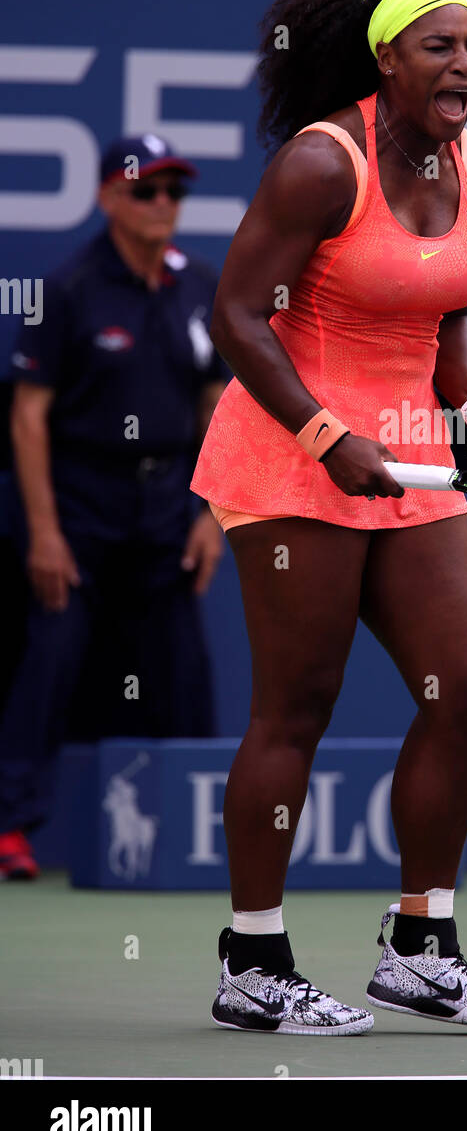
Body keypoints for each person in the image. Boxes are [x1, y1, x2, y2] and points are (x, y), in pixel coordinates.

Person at [192, 0, 467, 1034]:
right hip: (291, 450)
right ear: (385, 59)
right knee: (295, 708)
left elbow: (445, 316)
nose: (465, 65)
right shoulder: (317, 163)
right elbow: (238, 314)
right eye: (439, 46)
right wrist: (322, 432)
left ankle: (419, 945)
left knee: (466, 685)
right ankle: (253, 959)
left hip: (408, 461)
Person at [0, 136, 229, 881]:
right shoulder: (69, 289)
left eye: (174, 192)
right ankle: (12, 831)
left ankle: (209, 830)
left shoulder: (200, 284)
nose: (163, 205)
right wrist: (43, 533)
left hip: (168, 503)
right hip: (79, 502)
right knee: (51, 658)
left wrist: (211, 513)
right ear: (107, 198)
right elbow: (28, 416)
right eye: (146, 191)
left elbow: (216, 406)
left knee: (185, 670)